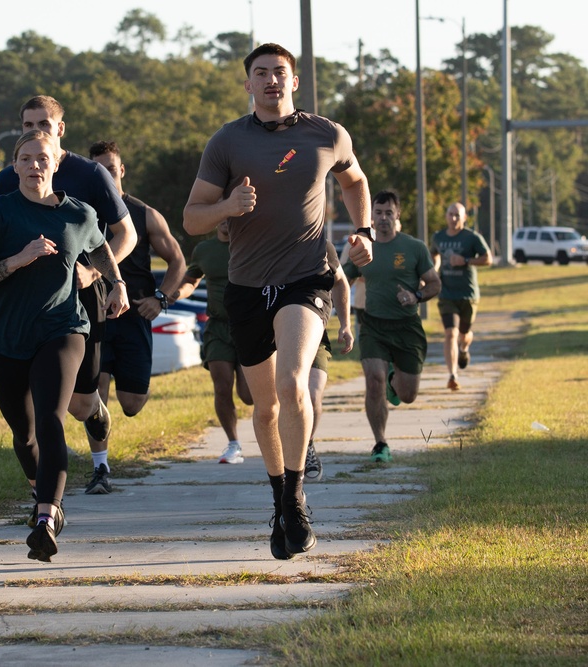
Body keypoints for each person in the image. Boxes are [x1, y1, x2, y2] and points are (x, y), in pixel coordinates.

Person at [183, 43, 374, 561]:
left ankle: (295, 499)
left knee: (293, 383)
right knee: (264, 407)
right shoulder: (227, 141)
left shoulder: (326, 134)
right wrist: (227, 205)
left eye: (280, 72)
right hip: (247, 287)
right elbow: (192, 218)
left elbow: (355, 179)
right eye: (261, 73)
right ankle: (279, 502)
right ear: (248, 84)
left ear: (295, 80)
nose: (271, 80)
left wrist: (363, 231)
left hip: (305, 278)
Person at [0, 130, 129, 562]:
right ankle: (42, 494)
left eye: (43, 158)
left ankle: (46, 517)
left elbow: (100, 248)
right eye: (26, 158)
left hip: (62, 328)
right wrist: (19, 259)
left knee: (52, 418)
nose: (35, 165)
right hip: (5, 337)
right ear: (14, 166)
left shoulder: (79, 213)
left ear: (56, 164)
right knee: (24, 434)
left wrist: (116, 283)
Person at [0, 96, 137, 497]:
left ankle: (97, 435)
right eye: (27, 125)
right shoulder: (8, 177)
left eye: (44, 123)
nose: (35, 131)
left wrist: (97, 274)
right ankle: (47, 493)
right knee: (39, 410)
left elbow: (126, 235)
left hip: (80, 297)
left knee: (80, 404)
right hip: (25, 303)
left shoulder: (90, 174)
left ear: (60, 129)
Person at [87, 139, 186, 488]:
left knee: (132, 403)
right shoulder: (83, 212)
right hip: (95, 314)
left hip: (135, 317)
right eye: (99, 171)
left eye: (112, 170)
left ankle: (104, 452)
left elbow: (178, 260)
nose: (107, 176)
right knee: (97, 387)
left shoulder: (144, 214)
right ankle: (101, 467)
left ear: (122, 170)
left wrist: (161, 299)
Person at [342, 190, 441, 463]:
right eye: (378, 212)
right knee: (373, 381)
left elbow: (434, 283)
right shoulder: (364, 248)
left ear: (397, 215)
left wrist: (416, 296)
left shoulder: (414, 248)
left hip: (407, 327)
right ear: (371, 217)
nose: (383, 218)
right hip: (373, 325)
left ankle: (393, 380)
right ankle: (380, 443)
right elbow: (344, 278)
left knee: (408, 395)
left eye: (389, 212)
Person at [174, 220, 253, 464]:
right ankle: (233, 444)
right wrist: (176, 293)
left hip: (249, 327)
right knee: (221, 385)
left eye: (232, 215)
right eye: (223, 215)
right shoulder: (204, 250)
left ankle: (275, 426)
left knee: (248, 395)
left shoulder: (251, 244)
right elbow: (191, 280)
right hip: (217, 326)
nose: (227, 221)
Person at [305, 240, 355, 481]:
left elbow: (341, 282)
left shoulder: (321, 246)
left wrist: (345, 324)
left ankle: (306, 444)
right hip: (273, 334)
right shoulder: (266, 240)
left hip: (313, 332)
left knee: (313, 395)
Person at [431, 202, 493, 391]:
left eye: (457, 215)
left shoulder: (472, 237)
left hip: (468, 294)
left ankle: (464, 349)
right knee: (451, 333)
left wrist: (465, 260)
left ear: (465, 218)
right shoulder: (438, 237)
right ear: (446, 216)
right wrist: (434, 271)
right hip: (447, 293)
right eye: (450, 214)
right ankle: (453, 375)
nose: (453, 218)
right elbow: (434, 255)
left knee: (464, 335)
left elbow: (488, 259)